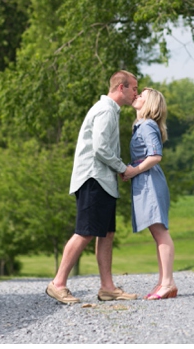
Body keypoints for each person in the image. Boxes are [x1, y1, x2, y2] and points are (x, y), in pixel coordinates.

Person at [45, 70, 142, 305]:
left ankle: (107, 288)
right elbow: (99, 149)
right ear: (121, 88)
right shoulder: (106, 110)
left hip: (102, 181)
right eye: (134, 88)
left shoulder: (110, 110)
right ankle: (57, 284)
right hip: (93, 179)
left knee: (106, 233)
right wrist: (122, 168)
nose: (136, 93)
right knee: (86, 231)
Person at [122, 87, 177, 300]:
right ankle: (164, 281)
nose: (136, 96)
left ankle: (168, 283)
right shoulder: (141, 126)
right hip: (145, 180)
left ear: (150, 103)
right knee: (157, 232)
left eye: (141, 95)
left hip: (150, 181)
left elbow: (155, 156)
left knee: (160, 231)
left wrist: (134, 170)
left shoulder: (147, 125)